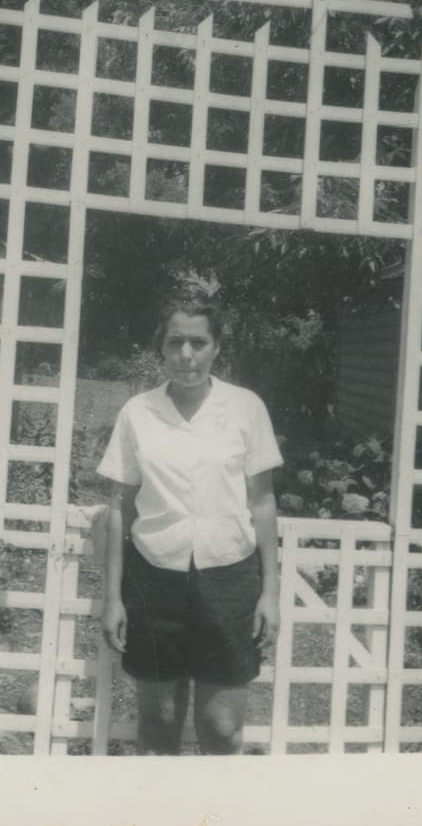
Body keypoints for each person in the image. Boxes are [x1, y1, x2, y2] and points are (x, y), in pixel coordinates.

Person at [97, 298, 283, 755]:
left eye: (198, 342)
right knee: (159, 724)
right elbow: (119, 506)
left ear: (216, 347)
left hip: (230, 579)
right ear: (160, 348)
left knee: (221, 728)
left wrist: (271, 592)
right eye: (175, 342)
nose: (186, 355)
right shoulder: (138, 413)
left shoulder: (245, 408)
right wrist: (113, 597)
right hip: (155, 579)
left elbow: (261, 500)